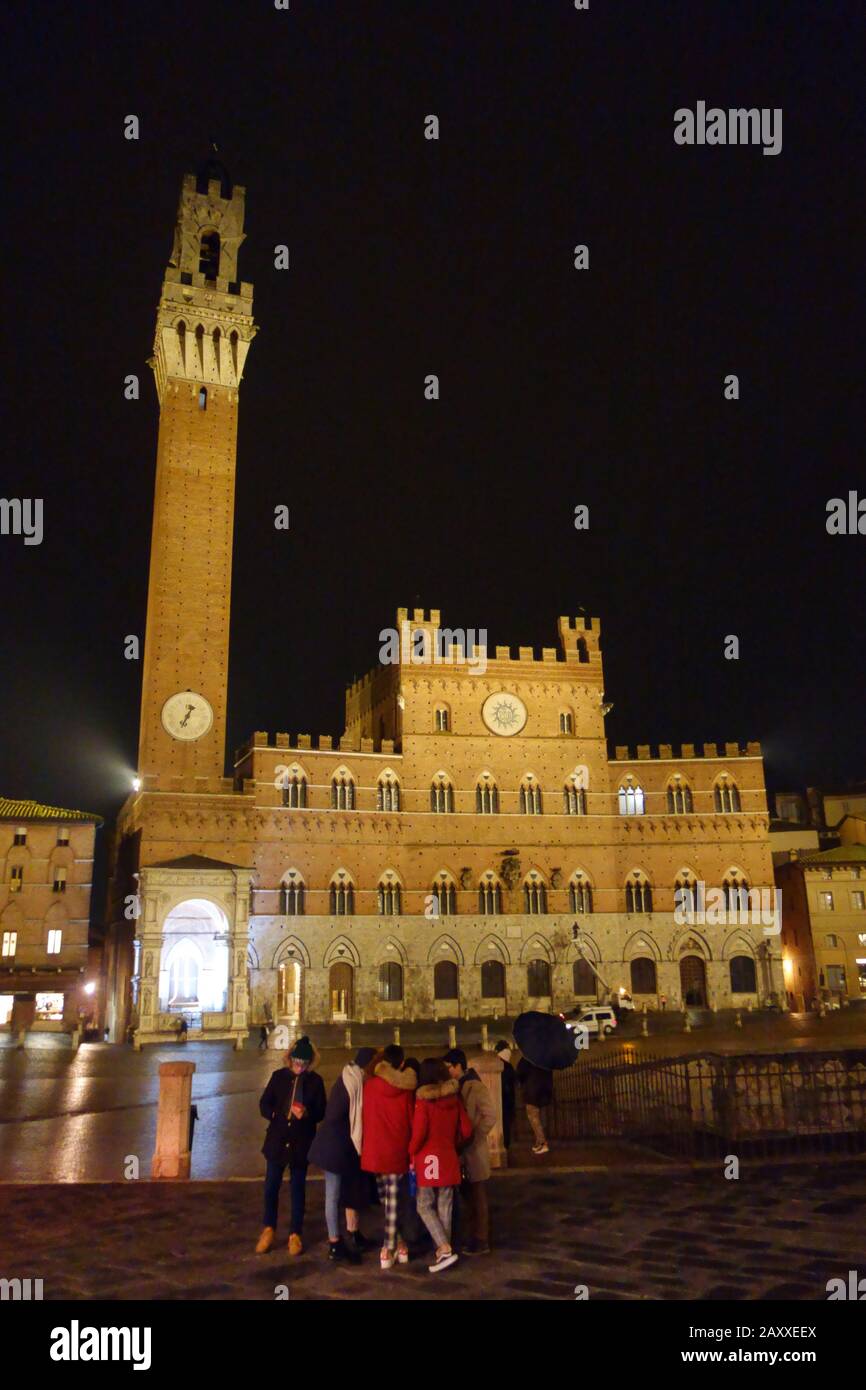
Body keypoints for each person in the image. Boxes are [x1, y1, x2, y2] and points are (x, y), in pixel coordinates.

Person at [256, 1035, 326, 1256]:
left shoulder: (316, 1082)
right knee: (271, 1187)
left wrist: (307, 1113)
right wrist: (275, 1113)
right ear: (290, 1060)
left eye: (303, 1064)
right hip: (277, 1140)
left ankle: (295, 1233)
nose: (299, 1067)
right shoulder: (278, 1077)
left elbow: (321, 1111)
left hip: (300, 1142)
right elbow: (264, 1104)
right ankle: (268, 1229)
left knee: (298, 1189)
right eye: (296, 1062)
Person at [308, 1046, 379, 1263]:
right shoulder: (355, 1083)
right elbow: (348, 1117)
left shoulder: (348, 1076)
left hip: (341, 1145)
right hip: (335, 1146)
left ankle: (353, 1234)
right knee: (334, 1194)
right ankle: (335, 1244)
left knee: (347, 1191)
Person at [410, 1058, 472, 1273]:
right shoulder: (455, 1099)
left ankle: (444, 1248)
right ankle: (446, 1251)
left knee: (424, 1204)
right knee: (445, 1204)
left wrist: (411, 1151)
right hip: (448, 1156)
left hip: (428, 1159)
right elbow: (466, 1130)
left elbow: (419, 1135)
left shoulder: (424, 1101)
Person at [360, 1043, 417, 1269]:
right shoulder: (405, 1091)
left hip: (375, 1149)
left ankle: (396, 1243)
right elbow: (412, 1121)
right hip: (396, 1149)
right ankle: (390, 1247)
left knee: (388, 1200)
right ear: (401, 1064)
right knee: (392, 1200)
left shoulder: (370, 1086)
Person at [443, 1048, 496, 1256]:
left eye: (449, 1067)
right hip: (462, 1151)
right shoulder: (457, 1087)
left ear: (458, 1066)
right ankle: (472, 1235)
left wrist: (475, 1136)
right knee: (468, 1195)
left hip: (474, 1150)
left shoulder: (475, 1086)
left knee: (478, 1195)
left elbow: (490, 1116)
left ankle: (482, 1239)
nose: (447, 1071)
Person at [515, 1052, 552, 1155]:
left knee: (533, 1116)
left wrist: (520, 1082)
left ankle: (543, 1143)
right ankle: (538, 1143)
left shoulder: (528, 1057)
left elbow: (520, 1072)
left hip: (532, 1090)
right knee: (538, 1117)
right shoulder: (546, 1058)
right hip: (543, 1091)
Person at [494, 1040, 516, 1150]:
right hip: (508, 1101)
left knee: (504, 1125)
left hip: (502, 1101)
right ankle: (505, 1145)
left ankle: (503, 1146)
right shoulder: (509, 1067)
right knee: (506, 1125)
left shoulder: (500, 1067)